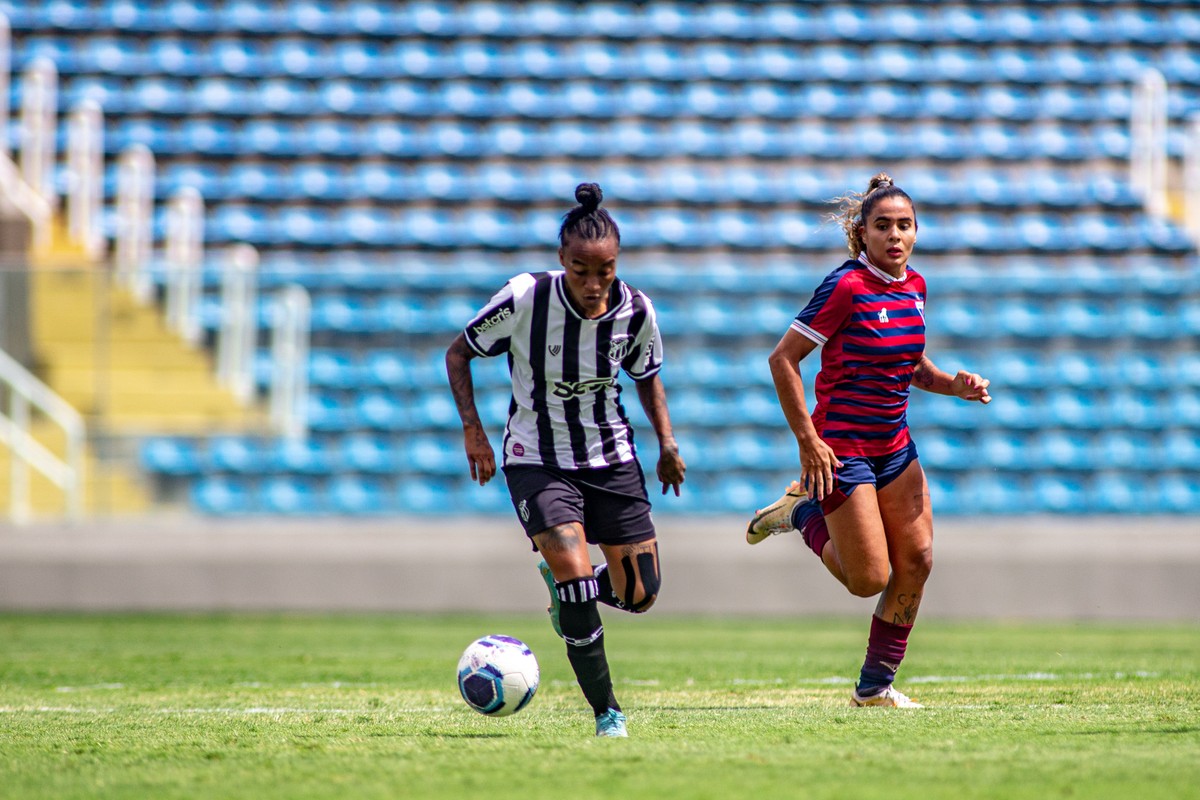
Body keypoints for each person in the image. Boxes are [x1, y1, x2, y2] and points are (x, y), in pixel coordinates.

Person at [445, 182, 686, 737]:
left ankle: (567, 593)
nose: (595, 283)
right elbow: (458, 352)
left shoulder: (636, 310)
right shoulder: (524, 298)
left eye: (605, 270)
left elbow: (647, 378)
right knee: (578, 579)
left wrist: (667, 444)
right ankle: (608, 714)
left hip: (611, 457)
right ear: (562, 260)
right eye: (581, 270)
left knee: (641, 594)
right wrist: (474, 432)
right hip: (538, 459)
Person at [745, 172, 991, 708]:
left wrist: (953, 385)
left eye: (905, 225)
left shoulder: (916, 287)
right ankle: (800, 514)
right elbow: (782, 359)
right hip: (842, 447)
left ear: (917, 232)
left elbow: (909, 364)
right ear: (863, 233)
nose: (895, 236)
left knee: (919, 559)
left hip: (894, 446)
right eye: (883, 226)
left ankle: (875, 688)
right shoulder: (845, 286)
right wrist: (809, 443)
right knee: (869, 578)